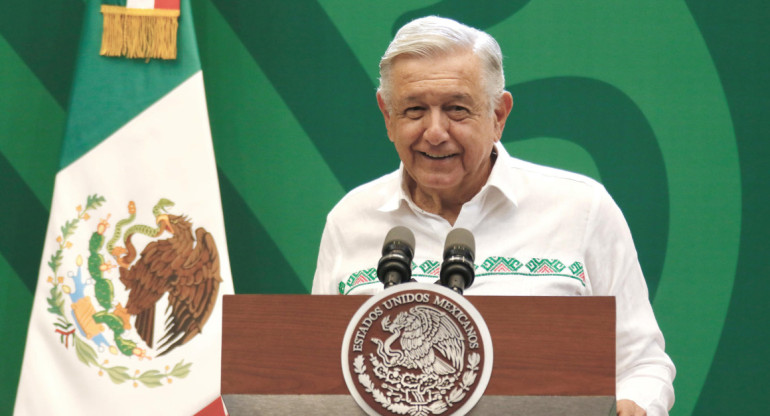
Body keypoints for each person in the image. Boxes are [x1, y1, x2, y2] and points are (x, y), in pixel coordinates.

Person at [312, 16, 675, 416]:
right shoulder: (349, 220)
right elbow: (318, 377)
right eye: (415, 110)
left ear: (498, 115)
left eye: (456, 110)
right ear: (387, 116)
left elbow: (641, 364)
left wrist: (636, 405)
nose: (435, 132)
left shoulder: (581, 209)